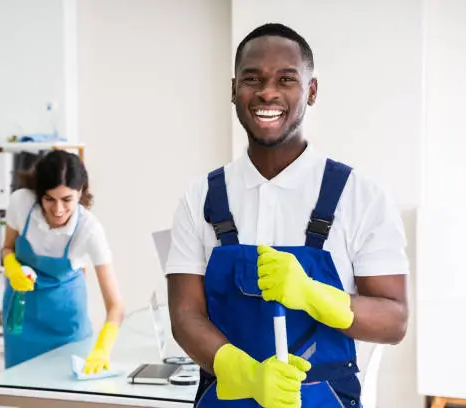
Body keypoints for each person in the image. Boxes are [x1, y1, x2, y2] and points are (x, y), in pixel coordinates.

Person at [166, 23, 408, 408]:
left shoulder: (360, 196)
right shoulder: (201, 198)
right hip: (226, 395)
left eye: (286, 79)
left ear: (311, 92)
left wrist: (313, 294)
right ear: (233, 90)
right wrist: (246, 374)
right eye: (252, 78)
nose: (267, 91)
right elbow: (184, 315)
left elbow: (394, 321)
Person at [1, 149, 124, 374]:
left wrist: (102, 349)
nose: (58, 210)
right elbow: (7, 247)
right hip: (21, 319)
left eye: (67, 199)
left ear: (80, 192)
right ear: (39, 193)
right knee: (21, 391)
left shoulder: (89, 230)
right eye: (49, 198)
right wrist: (12, 267)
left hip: (65, 326)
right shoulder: (21, 203)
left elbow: (115, 305)